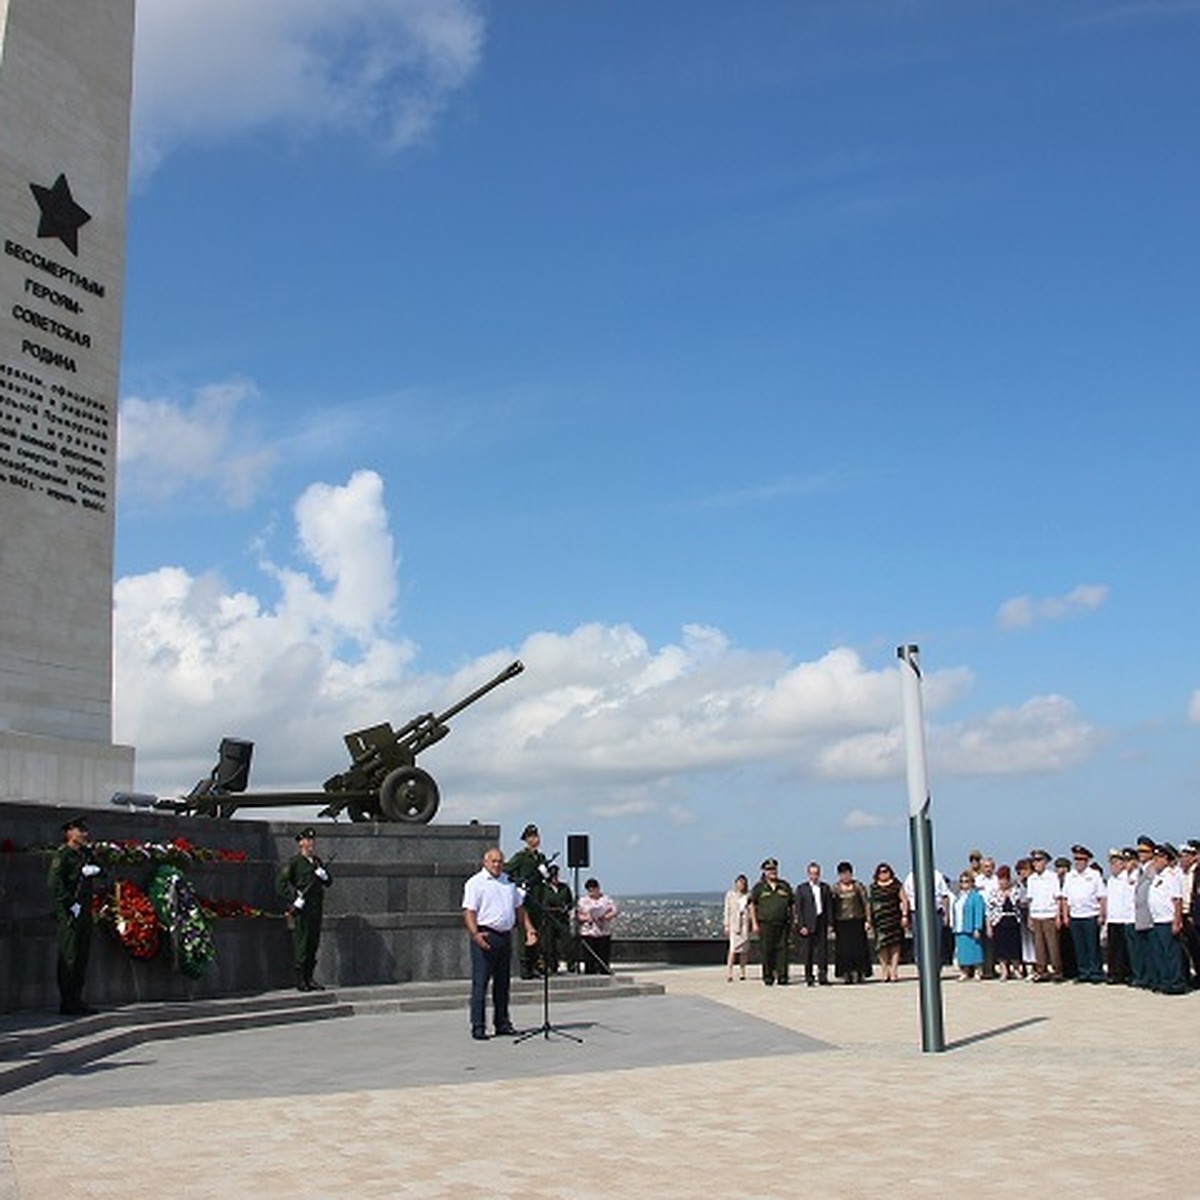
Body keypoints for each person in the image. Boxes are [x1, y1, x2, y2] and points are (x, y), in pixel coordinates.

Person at [462, 846, 537, 1039]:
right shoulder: (475, 883)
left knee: (503, 984)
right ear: (485, 862)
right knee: (481, 983)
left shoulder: (508, 882)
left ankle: (502, 1022)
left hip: (504, 936)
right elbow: (469, 911)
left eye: (500, 862)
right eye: (493, 861)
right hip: (485, 936)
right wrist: (475, 934)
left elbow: (519, 908)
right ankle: (478, 1026)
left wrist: (529, 929)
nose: (497, 865)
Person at [47, 815, 102, 1016]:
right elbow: (54, 883)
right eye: (81, 831)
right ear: (70, 833)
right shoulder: (63, 855)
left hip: (85, 910)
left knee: (82, 956)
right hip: (70, 911)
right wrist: (70, 904)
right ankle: (67, 1001)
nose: (85, 834)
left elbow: (102, 873)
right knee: (69, 956)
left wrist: (95, 870)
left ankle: (77, 998)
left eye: (85, 830)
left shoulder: (86, 854)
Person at [277, 827, 333, 992]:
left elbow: (328, 883)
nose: (310, 844)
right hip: (303, 908)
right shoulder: (294, 862)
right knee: (302, 943)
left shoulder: (316, 861)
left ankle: (310, 978)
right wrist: (295, 898)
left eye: (312, 841)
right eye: (307, 841)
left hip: (316, 907)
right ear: (300, 843)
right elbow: (280, 884)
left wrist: (325, 876)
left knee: (313, 943)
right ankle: (301, 980)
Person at [505, 823, 552, 979]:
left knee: (537, 930)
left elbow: (546, 878)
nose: (535, 839)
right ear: (526, 839)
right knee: (524, 932)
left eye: (536, 836)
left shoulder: (541, 858)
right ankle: (524, 964)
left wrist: (546, 874)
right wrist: (520, 882)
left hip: (539, 898)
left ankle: (534, 964)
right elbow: (507, 870)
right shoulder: (521, 857)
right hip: (525, 898)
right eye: (531, 837)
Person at [1062, 844, 1106, 983]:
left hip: (1091, 915)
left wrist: (1102, 914)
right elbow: (1065, 898)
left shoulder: (1094, 875)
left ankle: (1095, 972)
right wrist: (1065, 915)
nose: (1078, 862)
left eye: (1081, 859)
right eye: (1076, 859)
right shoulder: (1070, 876)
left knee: (1092, 946)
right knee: (1079, 947)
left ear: (1087, 861)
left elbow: (1102, 896)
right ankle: (1083, 972)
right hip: (1075, 915)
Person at [749, 858, 794, 986]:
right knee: (767, 950)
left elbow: (792, 904)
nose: (772, 872)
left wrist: (793, 919)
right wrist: (754, 923)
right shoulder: (759, 888)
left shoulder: (784, 885)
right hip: (766, 924)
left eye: (774, 869)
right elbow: (752, 905)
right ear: (764, 871)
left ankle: (782, 976)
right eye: (769, 870)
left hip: (783, 923)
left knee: (783, 950)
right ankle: (768, 976)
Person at [831, 861, 872, 984]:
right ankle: (846, 973)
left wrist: (868, 920)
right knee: (844, 950)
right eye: (843, 874)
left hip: (857, 921)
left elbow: (866, 903)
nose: (845, 876)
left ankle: (860, 973)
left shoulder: (858, 886)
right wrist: (831, 924)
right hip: (842, 923)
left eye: (847, 873)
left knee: (859, 949)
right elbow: (832, 907)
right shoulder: (835, 888)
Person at [1025, 849, 1063, 982]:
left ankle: (1057, 971)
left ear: (1045, 862)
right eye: (1034, 861)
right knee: (1039, 946)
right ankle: (1042, 971)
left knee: (1052, 945)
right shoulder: (1031, 879)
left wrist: (1058, 916)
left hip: (1049, 914)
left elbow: (1058, 897)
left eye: (1039, 860)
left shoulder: (1052, 877)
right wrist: (1030, 917)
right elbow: (1030, 899)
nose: (1036, 863)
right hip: (1036, 914)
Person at [868, 862, 908, 982]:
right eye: (881, 872)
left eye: (886, 871)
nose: (884, 874)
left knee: (895, 945)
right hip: (879, 920)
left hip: (894, 918)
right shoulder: (873, 887)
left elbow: (904, 900)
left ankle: (894, 971)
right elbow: (869, 904)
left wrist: (904, 916)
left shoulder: (896, 885)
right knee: (881, 946)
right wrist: (868, 920)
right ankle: (885, 971)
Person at [795, 861, 833, 986]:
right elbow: (798, 909)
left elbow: (829, 907)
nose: (814, 876)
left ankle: (822, 976)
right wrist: (801, 925)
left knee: (823, 951)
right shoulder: (801, 889)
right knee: (808, 952)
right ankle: (809, 977)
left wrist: (830, 924)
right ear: (808, 874)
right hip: (808, 923)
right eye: (812, 873)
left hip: (821, 921)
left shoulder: (825, 888)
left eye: (816, 873)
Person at [1104, 848, 1134, 985]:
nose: (1113, 866)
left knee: (1125, 949)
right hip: (1112, 918)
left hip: (1124, 918)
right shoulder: (1110, 880)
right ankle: (1114, 973)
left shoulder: (1127, 878)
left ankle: (1125, 973)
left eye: (1116, 863)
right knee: (1113, 949)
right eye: (1111, 863)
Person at [988, 865, 1023, 980]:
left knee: (1014, 946)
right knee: (1001, 948)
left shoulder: (1015, 891)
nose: (1002, 882)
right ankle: (1004, 970)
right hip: (999, 922)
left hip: (1013, 921)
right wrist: (989, 926)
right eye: (1000, 879)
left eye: (1005, 879)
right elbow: (989, 910)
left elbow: (1019, 903)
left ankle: (1016, 969)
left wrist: (1009, 894)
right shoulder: (994, 893)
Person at [577, 878, 618, 974]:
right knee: (589, 958)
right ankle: (590, 972)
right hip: (589, 932)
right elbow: (578, 915)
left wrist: (606, 917)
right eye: (589, 891)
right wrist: (587, 918)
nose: (592, 893)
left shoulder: (606, 900)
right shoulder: (583, 901)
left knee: (603, 956)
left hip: (603, 931)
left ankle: (603, 970)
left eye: (593, 890)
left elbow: (614, 911)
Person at [952, 870, 986, 980]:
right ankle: (964, 971)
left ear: (972, 883)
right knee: (962, 951)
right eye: (962, 882)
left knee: (975, 949)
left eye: (966, 881)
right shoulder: (958, 897)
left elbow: (978, 912)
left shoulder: (976, 896)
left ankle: (978, 970)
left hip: (971, 928)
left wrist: (977, 927)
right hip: (960, 928)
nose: (964, 884)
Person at [540, 863, 573, 974]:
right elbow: (543, 904)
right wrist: (553, 909)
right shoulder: (544, 889)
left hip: (562, 919)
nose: (555, 878)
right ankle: (552, 965)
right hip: (549, 919)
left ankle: (571, 964)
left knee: (567, 942)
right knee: (550, 944)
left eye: (556, 876)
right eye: (553, 876)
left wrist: (566, 907)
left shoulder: (564, 887)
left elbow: (570, 901)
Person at [723, 874, 751, 982]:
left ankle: (742, 971)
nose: (741, 885)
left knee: (744, 950)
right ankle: (729, 972)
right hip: (734, 924)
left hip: (744, 924)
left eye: (743, 883)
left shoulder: (748, 895)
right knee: (733, 949)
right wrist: (726, 925)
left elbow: (751, 909)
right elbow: (727, 910)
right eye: (739, 883)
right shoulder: (730, 895)